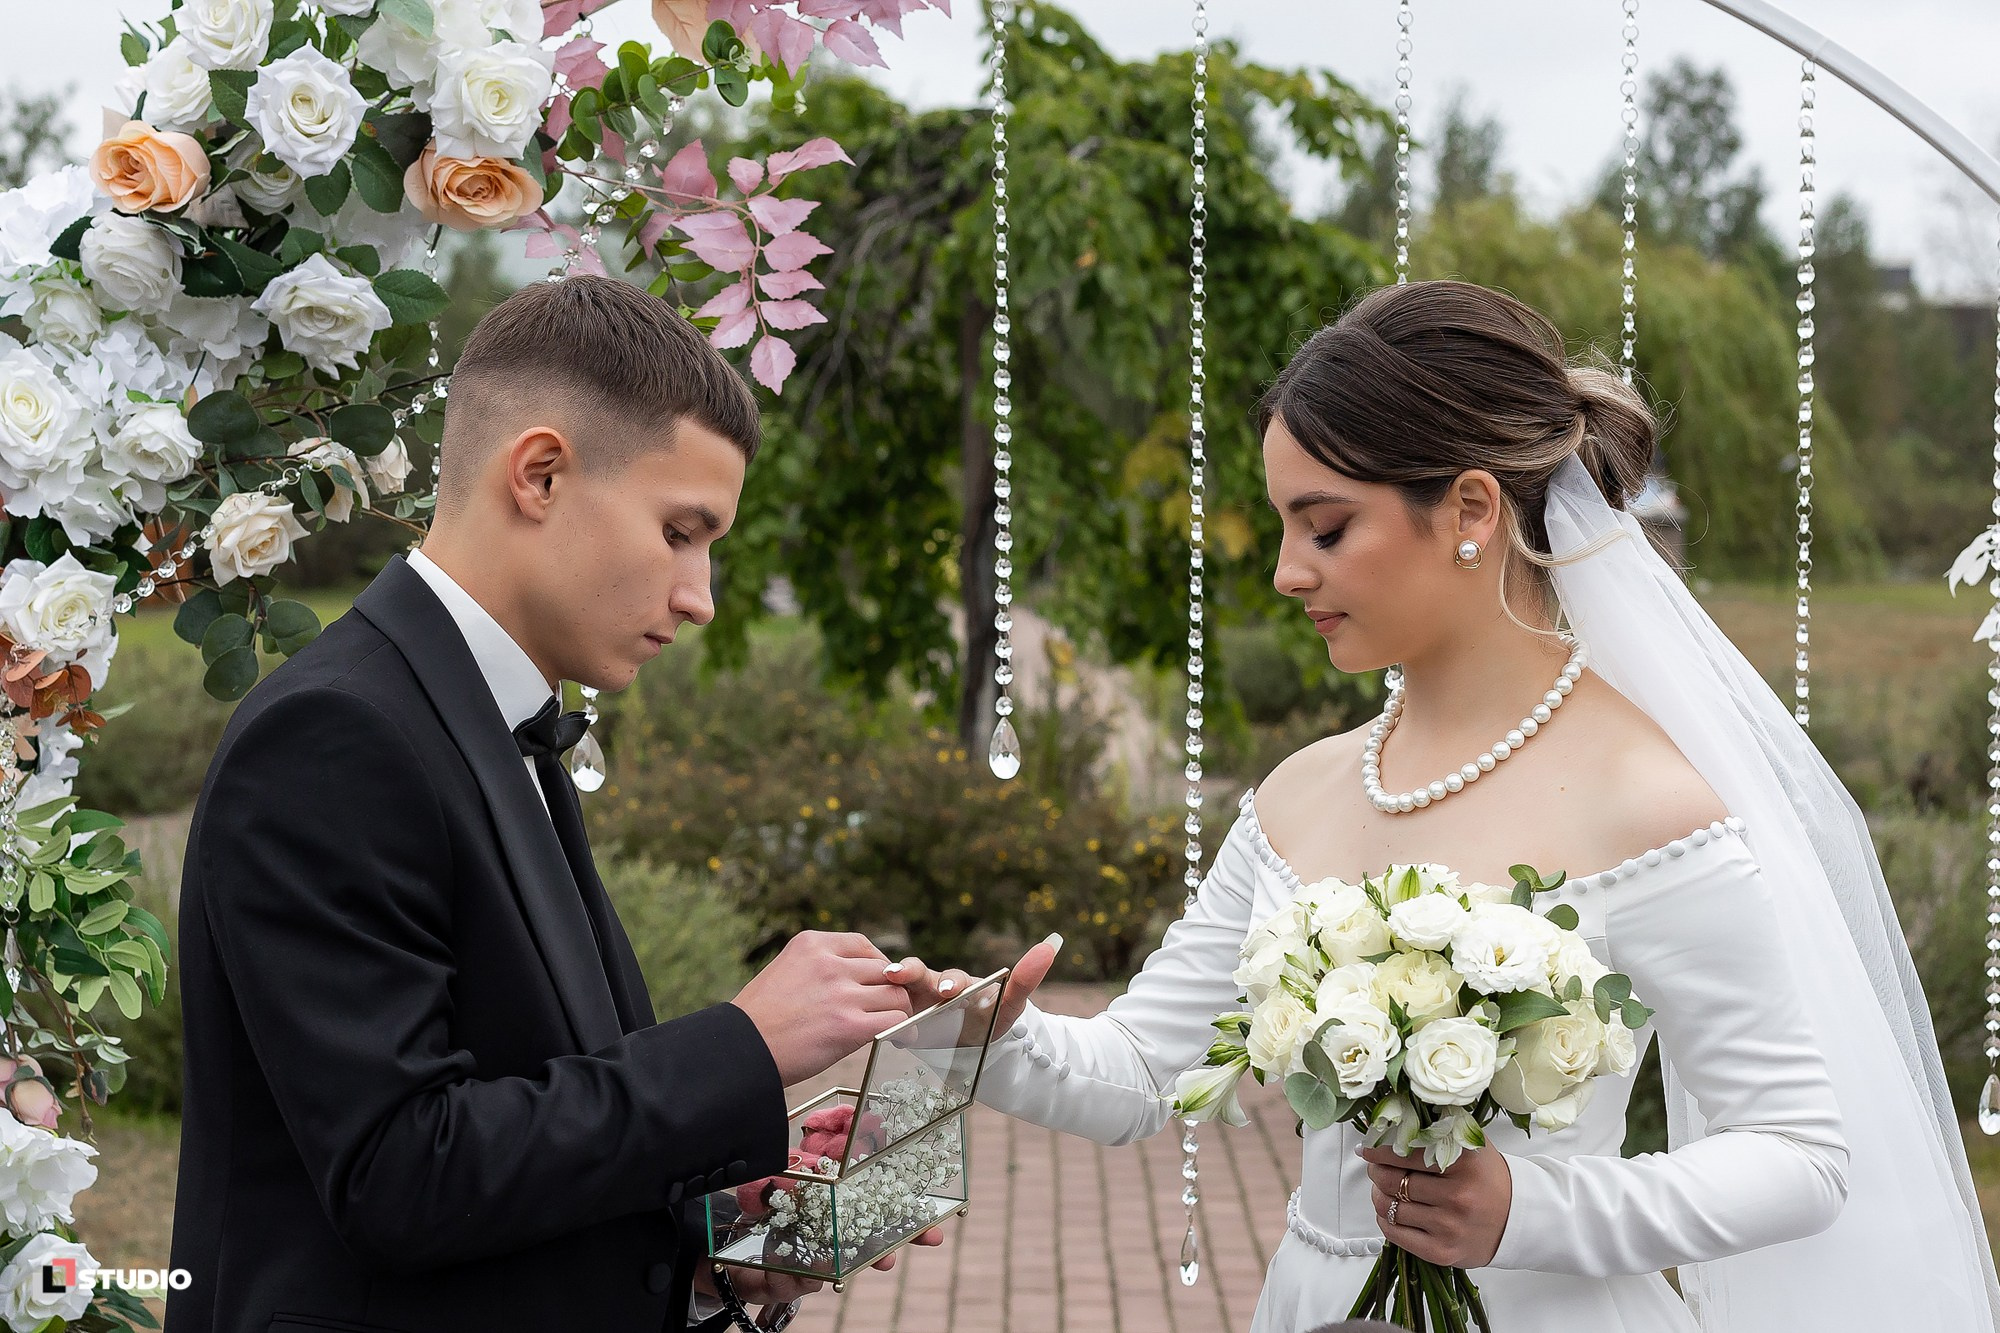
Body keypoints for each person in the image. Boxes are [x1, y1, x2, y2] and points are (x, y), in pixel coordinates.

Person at [900, 281, 2000, 1330]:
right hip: (1312, 1309)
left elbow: (1800, 1154)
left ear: (1470, 509)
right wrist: (985, 1037)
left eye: (1324, 527)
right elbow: (1142, 1070)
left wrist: (1530, 1209)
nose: (1286, 572)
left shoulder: (1647, 803)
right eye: (1282, 526)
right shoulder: (1300, 793)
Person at [167, 276, 933, 1333]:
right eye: (680, 531)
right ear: (539, 474)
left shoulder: (492, 717)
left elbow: (522, 1115)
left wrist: (724, 1239)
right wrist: (739, 1046)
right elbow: (399, 1174)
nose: (700, 595)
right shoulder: (334, 737)